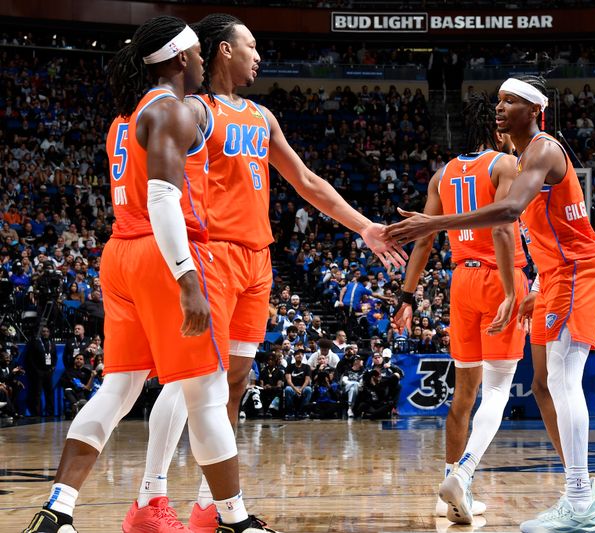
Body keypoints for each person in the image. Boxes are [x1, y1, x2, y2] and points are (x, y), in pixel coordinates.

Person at [128, 13, 405, 533]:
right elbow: (160, 186)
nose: (259, 55)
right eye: (250, 46)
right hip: (211, 254)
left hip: (257, 259)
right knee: (191, 380)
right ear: (224, 51)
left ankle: (210, 505)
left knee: (233, 384)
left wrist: (364, 226)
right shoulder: (192, 111)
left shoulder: (260, 116)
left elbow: (305, 180)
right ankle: (151, 496)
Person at [22, 17, 275, 533]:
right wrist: (186, 278)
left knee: (116, 390)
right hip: (163, 251)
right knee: (206, 395)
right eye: (199, 55)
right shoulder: (172, 110)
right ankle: (233, 520)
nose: (205, 62)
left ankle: (58, 510)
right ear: (181, 59)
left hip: (119, 254)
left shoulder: (124, 116)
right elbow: (162, 199)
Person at [389, 76, 595, 531]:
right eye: (500, 101)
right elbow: (518, 229)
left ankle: (578, 498)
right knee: (543, 386)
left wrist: (435, 223)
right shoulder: (518, 159)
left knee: (562, 381)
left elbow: (507, 218)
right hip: (547, 277)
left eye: (512, 101)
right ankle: (574, 491)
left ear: (535, 111)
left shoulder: (542, 150)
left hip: (574, 271)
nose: (501, 107)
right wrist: (524, 291)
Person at [392, 92, 528, 524]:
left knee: (463, 393)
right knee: (499, 389)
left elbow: (425, 236)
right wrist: (511, 290)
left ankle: (448, 486)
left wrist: (407, 297)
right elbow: (504, 228)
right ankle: (464, 475)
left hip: (460, 283)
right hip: (498, 276)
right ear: (496, 129)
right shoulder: (504, 165)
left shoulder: (443, 174)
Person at [23, 326, 57, 417]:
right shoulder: (36, 343)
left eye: (47, 331)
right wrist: (36, 370)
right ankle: (37, 413)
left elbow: (55, 357)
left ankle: (50, 412)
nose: (45, 333)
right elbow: (30, 359)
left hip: (49, 372)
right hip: (38, 372)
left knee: (49, 392)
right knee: (37, 393)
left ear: (49, 333)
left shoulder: (52, 343)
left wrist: (53, 367)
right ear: (41, 333)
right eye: (43, 331)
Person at [283, 347, 312, 420]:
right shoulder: (289, 366)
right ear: (294, 356)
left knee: (308, 389)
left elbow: (307, 380)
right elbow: (288, 380)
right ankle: (290, 412)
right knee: (288, 389)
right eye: (298, 354)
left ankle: (303, 412)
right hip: (293, 387)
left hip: (303, 387)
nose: (300, 355)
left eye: (302, 354)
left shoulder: (307, 367)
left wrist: (301, 389)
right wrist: (295, 389)